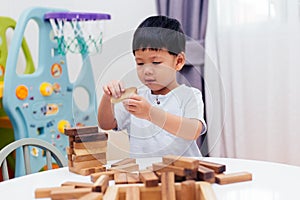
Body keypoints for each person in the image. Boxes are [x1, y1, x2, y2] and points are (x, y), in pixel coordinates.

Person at [98, 15, 206, 158]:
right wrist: (108, 97)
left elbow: (192, 131)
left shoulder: (190, 95)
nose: (147, 70)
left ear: (178, 61)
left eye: (156, 63)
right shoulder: (135, 97)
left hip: (184, 176)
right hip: (144, 175)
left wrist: (150, 113)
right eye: (140, 63)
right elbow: (106, 124)